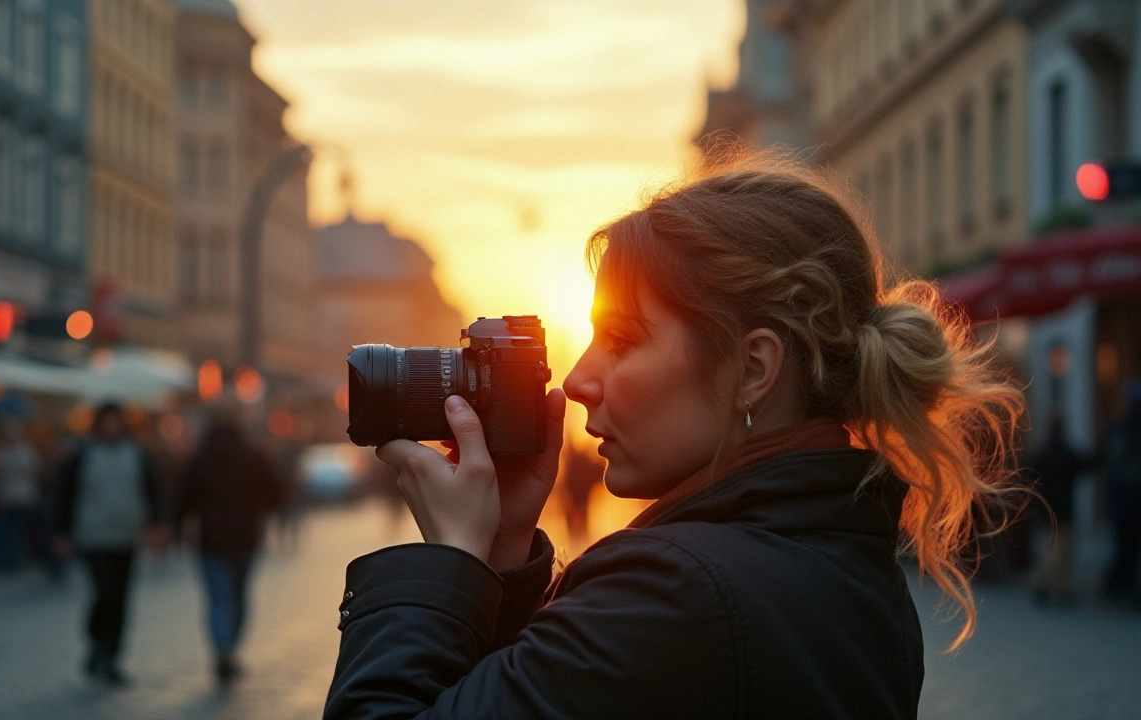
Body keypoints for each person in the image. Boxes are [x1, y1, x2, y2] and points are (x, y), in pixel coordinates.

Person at [324, 151, 1025, 719]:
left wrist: (451, 560)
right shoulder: (838, 559)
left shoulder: (678, 593)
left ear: (753, 368)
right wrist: (505, 554)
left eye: (622, 340)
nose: (577, 382)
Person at [54, 403, 167, 686]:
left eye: (115, 420)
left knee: (121, 599)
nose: (111, 426)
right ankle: (97, 640)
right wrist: (61, 532)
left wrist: (157, 525)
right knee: (105, 592)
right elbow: (65, 495)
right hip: (93, 536)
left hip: (126, 536)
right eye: (106, 420)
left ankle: (111, 657)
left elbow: (152, 491)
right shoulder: (83, 455)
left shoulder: (136, 453)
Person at [174, 414, 282, 683]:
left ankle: (223, 650)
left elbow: (183, 499)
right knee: (239, 598)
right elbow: (277, 491)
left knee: (218, 600)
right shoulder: (254, 457)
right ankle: (229, 649)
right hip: (246, 539)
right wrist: (263, 512)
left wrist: (176, 529)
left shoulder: (199, 459)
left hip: (210, 542)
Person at [1027, 416, 1088, 605]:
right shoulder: (1066, 453)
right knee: (1060, 551)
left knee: (1055, 549)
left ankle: (1061, 587)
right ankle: (1041, 583)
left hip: (1046, 508)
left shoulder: (1041, 453)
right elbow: (1085, 466)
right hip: (1063, 508)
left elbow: (1029, 476)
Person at [1099, 385, 1141, 604]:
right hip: (1126, 502)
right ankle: (1120, 586)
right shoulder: (1120, 431)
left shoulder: (1119, 430)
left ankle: (1120, 586)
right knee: (1126, 548)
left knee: (1125, 548)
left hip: (1122, 503)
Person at [0, 420, 42, 572]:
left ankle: (13, 560)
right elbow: (36, 472)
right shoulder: (27, 452)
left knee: (12, 531)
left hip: (11, 498)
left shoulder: (2, 453)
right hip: (21, 497)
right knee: (18, 531)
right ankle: (17, 559)